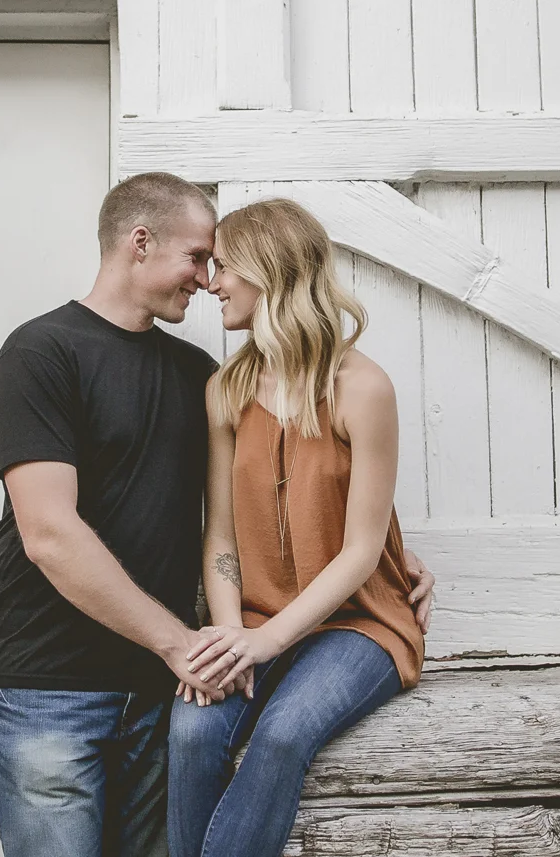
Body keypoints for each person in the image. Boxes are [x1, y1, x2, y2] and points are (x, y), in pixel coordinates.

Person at [0, 173, 433, 857]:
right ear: (140, 242)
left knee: (260, 744)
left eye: (218, 264)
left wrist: (394, 560)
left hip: (162, 677)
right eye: (198, 258)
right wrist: (211, 639)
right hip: (55, 684)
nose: (207, 280)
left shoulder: (199, 374)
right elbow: (53, 534)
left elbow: (325, 506)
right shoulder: (49, 354)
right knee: (173, 756)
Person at [166, 198, 425, 857]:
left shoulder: (362, 388)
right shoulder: (226, 389)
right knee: (191, 731)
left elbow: (362, 550)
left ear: (269, 270)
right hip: (253, 618)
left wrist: (266, 641)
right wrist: (231, 635)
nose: (212, 283)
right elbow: (221, 537)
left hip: (359, 624)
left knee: (283, 734)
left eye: (225, 266)